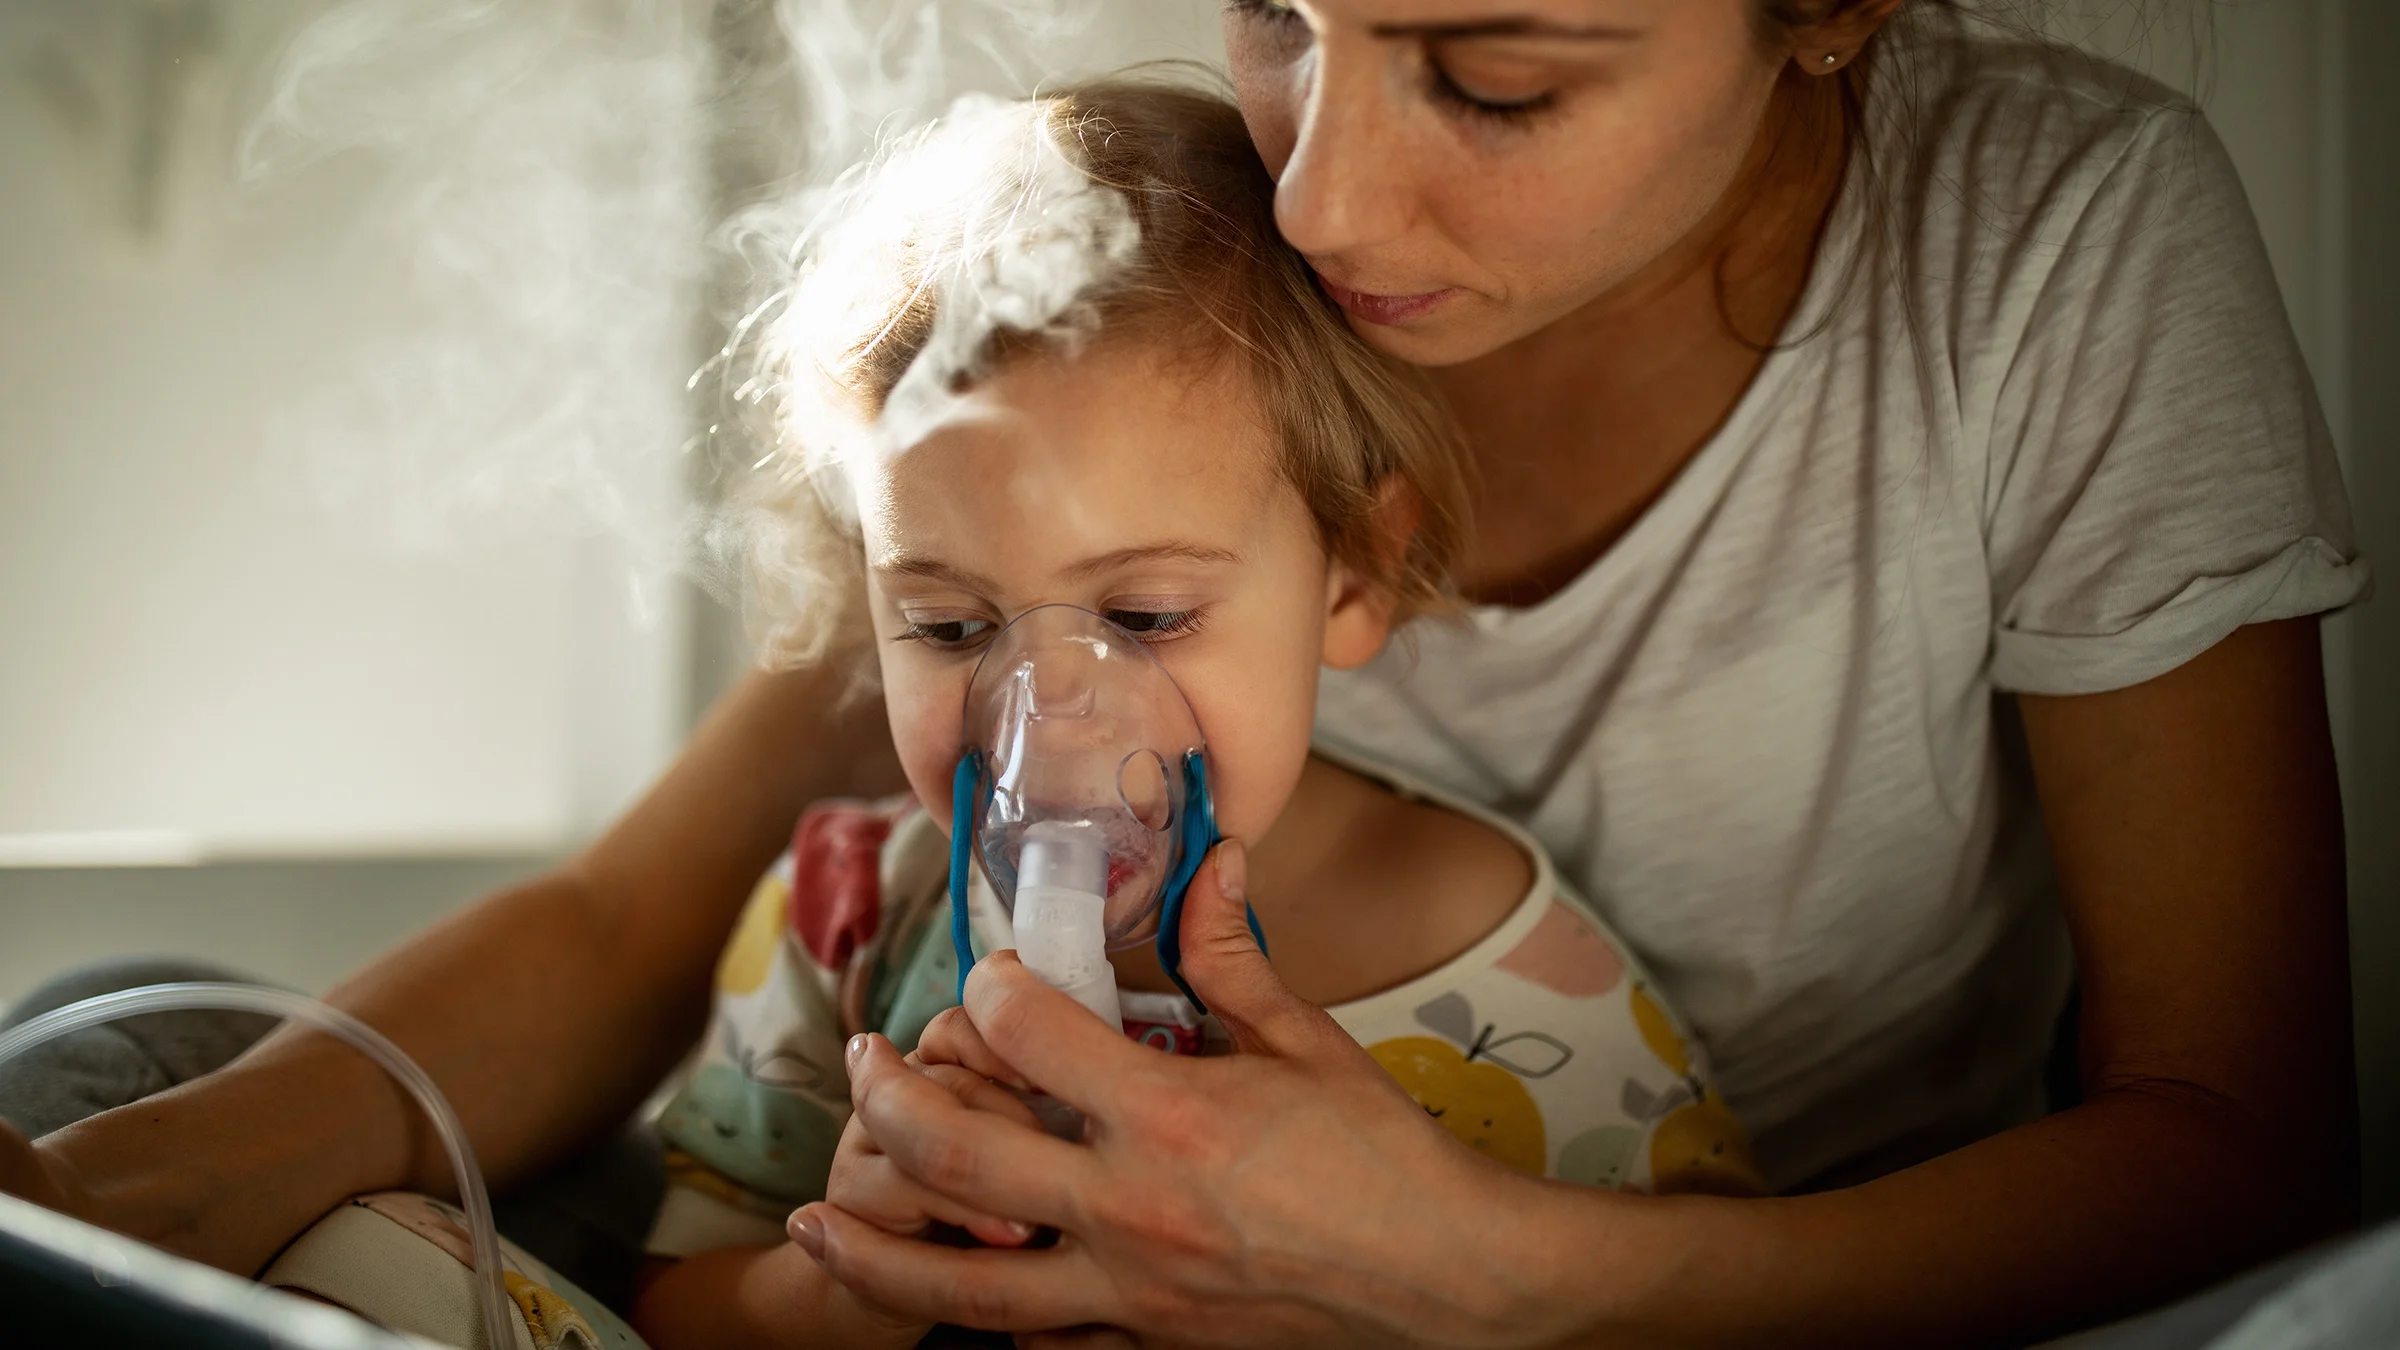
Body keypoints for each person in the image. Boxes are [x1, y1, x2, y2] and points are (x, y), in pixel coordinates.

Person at [0, 0, 2365, 1346]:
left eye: (1496, 75)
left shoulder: (2041, 263)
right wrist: (115, 1180)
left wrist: (1460, 1273)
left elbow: (2237, 1137)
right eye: (1274, 15)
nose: (1321, 201)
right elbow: (645, 928)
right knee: (119, 1028)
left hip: (1674, 1297)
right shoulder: (1158, 253)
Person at [625, 78, 1760, 1350]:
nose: (1052, 726)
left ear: (1354, 575)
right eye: (950, 628)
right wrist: (840, 1286)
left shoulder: (1502, 975)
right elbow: (668, 1299)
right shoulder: (842, 929)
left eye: (1151, 617)